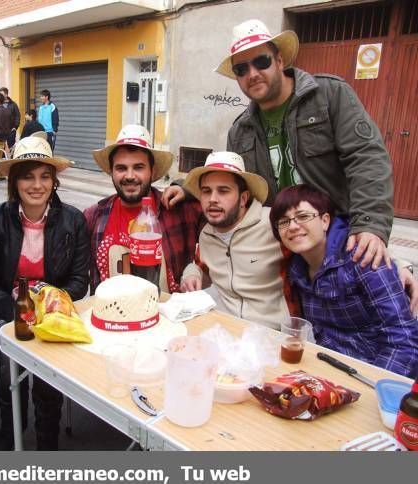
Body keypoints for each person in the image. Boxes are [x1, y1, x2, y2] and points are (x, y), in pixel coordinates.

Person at [163, 19, 395, 272]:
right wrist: (187, 189)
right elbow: (231, 176)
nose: (252, 74)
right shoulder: (240, 130)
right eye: (241, 69)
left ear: (280, 60)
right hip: (286, 246)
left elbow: (367, 158)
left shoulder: (329, 95)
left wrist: (370, 226)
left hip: (341, 238)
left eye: (261, 61)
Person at [0, 136, 89, 450]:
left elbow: (79, 280)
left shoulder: (74, 221)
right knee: (5, 347)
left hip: (54, 311)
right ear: (14, 181)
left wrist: (49, 306)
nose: (36, 185)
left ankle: (47, 437)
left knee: (49, 355)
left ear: (54, 181)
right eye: (27, 176)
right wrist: (17, 310)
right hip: (5, 309)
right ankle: (12, 430)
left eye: (45, 176)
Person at [269, 184, 418, 377]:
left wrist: (374, 389)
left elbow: (404, 340)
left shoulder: (362, 256)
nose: (293, 226)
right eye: (284, 221)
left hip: (376, 373)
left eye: (303, 216)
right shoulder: (295, 268)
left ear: (325, 220)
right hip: (331, 369)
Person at [84, 124, 205, 294]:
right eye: (121, 168)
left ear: (152, 171)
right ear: (111, 172)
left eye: (139, 167)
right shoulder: (93, 216)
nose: (130, 176)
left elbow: (223, 208)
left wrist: (187, 189)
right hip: (111, 317)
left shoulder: (178, 209)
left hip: (169, 319)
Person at [180, 152, 290, 329]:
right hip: (224, 332)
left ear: (243, 198)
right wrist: (191, 273)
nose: (213, 199)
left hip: (274, 337)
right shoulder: (207, 234)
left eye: (223, 191)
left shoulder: (275, 225)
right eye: (206, 191)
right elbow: (203, 266)